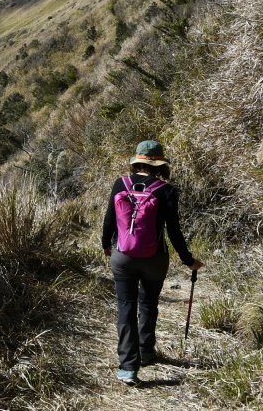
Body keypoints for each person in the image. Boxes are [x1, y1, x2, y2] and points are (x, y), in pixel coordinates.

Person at [101, 140, 204, 386]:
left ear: (136, 161)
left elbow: (109, 220)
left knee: (126, 307)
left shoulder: (120, 184)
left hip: (122, 256)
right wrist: (188, 261)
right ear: (159, 163)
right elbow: (174, 232)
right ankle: (146, 351)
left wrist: (106, 245)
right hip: (154, 258)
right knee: (148, 303)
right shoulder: (166, 190)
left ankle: (127, 368)